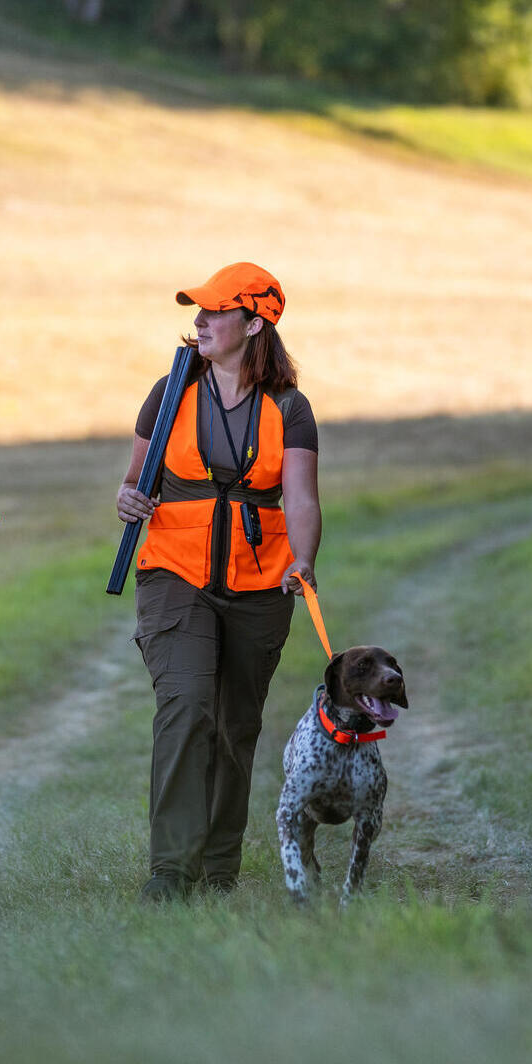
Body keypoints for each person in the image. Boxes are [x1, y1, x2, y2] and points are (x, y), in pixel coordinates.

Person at [116, 263, 322, 899]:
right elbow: (133, 482)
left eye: (214, 311)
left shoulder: (289, 407)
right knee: (185, 707)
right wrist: (127, 498)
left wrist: (304, 559)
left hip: (261, 586)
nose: (199, 321)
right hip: (173, 573)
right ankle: (170, 869)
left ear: (253, 323)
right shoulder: (168, 391)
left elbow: (302, 499)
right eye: (196, 311)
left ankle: (218, 869)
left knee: (237, 725)